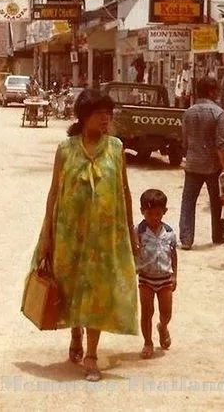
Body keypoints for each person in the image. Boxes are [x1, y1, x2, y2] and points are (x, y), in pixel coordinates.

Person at [31, 88, 140, 382]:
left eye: (109, 113)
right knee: (71, 287)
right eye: (100, 114)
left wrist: (131, 232)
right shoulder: (66, 149)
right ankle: (76, 334)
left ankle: (91, 355)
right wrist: (47, 235)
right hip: (69, 235)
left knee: (97, 292)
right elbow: (54, 192)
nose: (106, 119)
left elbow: (124, 192)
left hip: (105, 240)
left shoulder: (116, 148)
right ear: (84, 116)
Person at [179, 76, 224, 250]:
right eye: (216, 90)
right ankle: (218, 235)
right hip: (213, 165)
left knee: (188, 202)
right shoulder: (219, 113)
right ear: (211, 91)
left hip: (192, 163)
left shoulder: (189, 112)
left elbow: (185, 141)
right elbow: (221, 144)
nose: (218, 93)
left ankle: (186, 239)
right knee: (217, 201)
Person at [134, 189, 177, 360]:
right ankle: (147, 342)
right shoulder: (138, 231)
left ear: (164, 212)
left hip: (165, 278)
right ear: (142, 212)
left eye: (158, 214)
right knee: (147, 311)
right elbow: (131, 249)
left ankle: (163, 327)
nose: (153, 217)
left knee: (166, 312)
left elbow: (173, 254)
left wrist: (175, 276)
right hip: (146, 278)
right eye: (149, 214)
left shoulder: (169, 232)